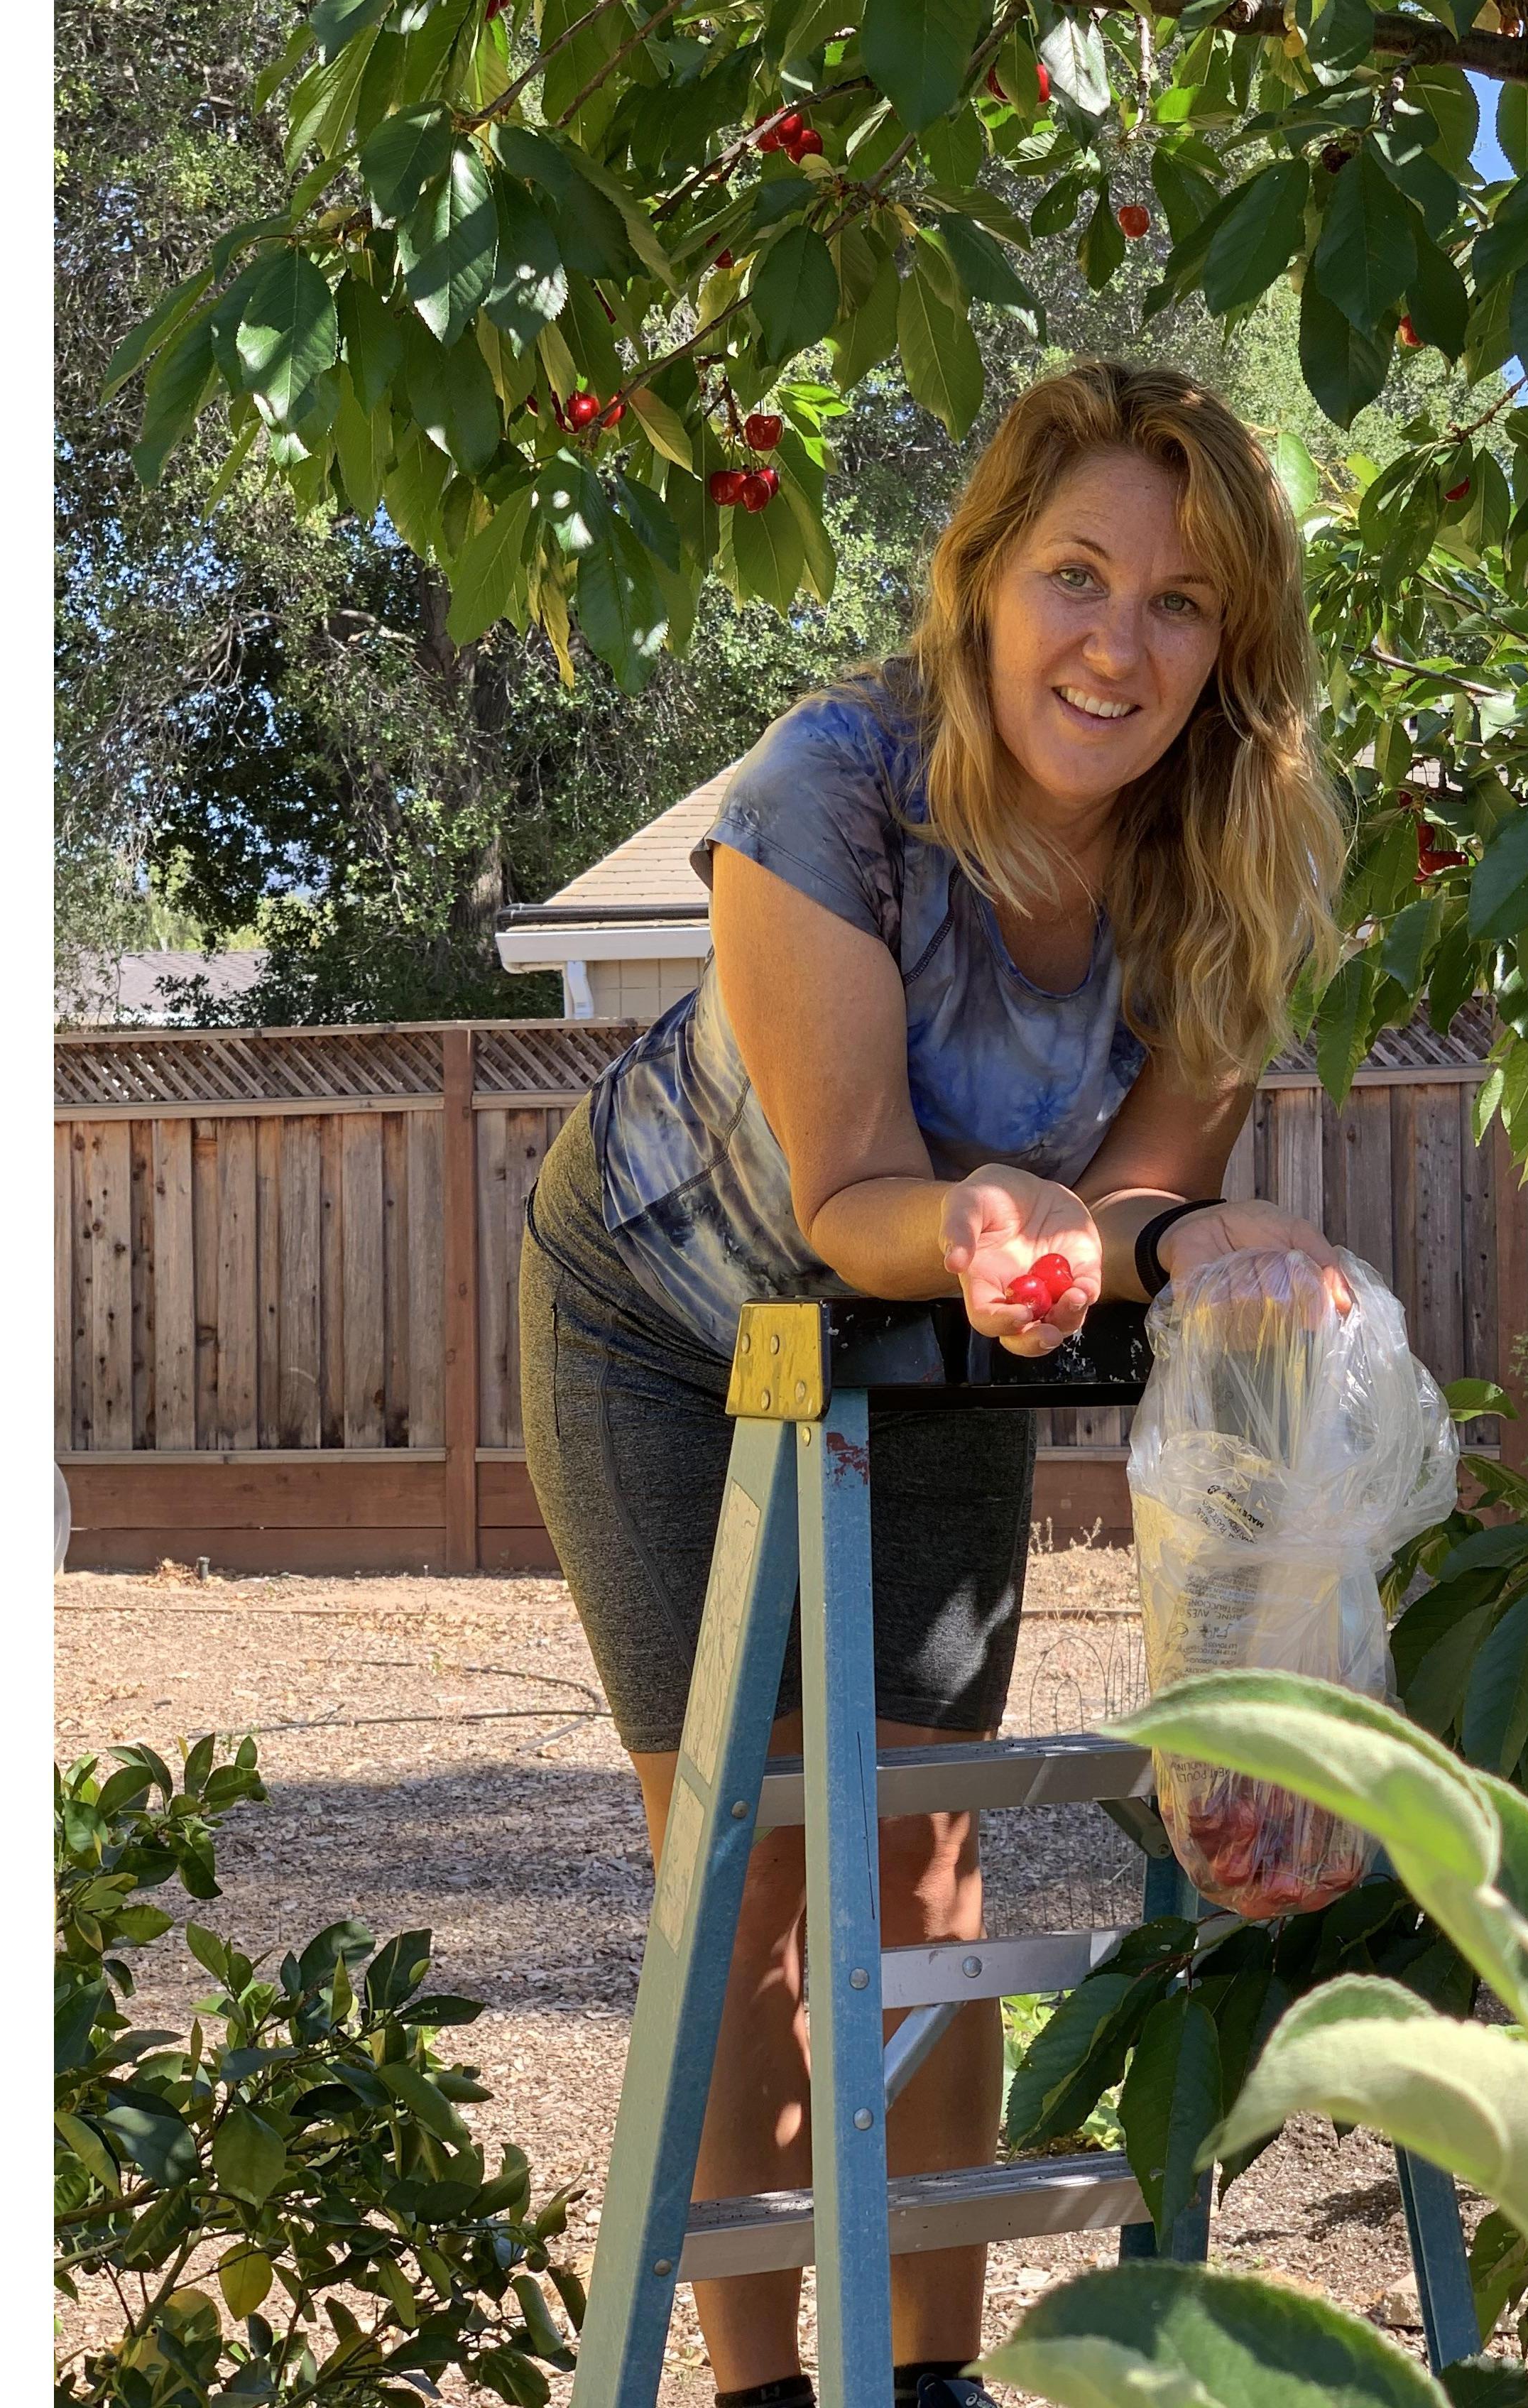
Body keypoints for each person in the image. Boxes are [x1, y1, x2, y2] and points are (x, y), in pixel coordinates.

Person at [518, 361, 1353, 2408]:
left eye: (1180, 605)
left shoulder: (1234, 850)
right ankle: (758, 2389)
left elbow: (1138, 1203)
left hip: (930, 1342)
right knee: (740, 1870)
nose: (1118, 642)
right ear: (982, 578)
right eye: (1077, 575)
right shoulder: (833, 785)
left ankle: (931, 2379)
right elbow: (856, 1189)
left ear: (1229, 646)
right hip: (662, 1314)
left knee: (920, 1862)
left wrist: (1170, 1247)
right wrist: (1008, 1221)